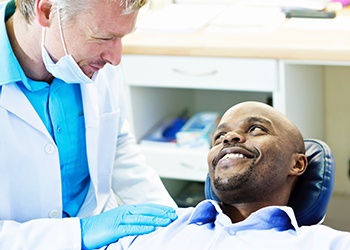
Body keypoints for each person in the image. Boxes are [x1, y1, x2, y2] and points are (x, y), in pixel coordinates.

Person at [0, 0, 178, 249]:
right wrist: (77, 234)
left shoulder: (90, 61)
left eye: (120, 37)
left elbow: (116, 142)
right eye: (103, 37)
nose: (115, 58)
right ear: (47, 10)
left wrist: (172, 223)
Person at [107, 101, 350, 249]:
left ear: (296, 164)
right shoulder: (153, 232)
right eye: (219, 137)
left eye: (255, 129)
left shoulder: (325, 244)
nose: (229, 139)